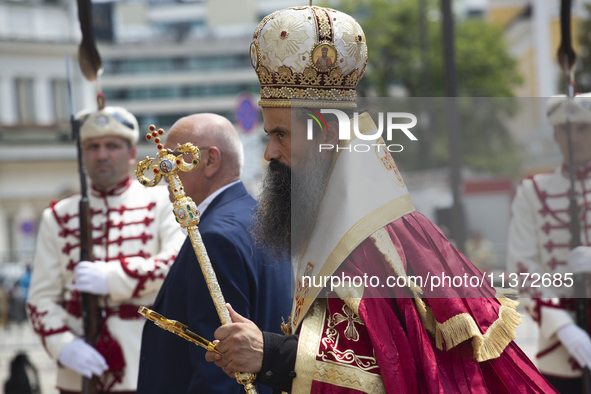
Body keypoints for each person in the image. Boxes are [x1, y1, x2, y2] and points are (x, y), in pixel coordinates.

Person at [205, 6, 558, 393]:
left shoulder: (372, 239)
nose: (270, 152)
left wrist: (270, 353)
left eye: (281, 135)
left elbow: (396, 367)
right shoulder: (335, 216)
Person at [27, 105, 186, 393]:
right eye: (93, 146)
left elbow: (176, 268)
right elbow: (40, 299)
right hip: (79, 373)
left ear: (132, 153)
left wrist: (114, 278)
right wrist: (64, 346)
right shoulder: (58, 215)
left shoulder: (164, 202)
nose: (102, 155)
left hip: (148, 363)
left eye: (112, 145)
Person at [136, 114, 291, 394]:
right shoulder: (257, 216)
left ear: (209, 160)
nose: (162, 177)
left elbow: (218, 367)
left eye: (170, 162)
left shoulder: (214, 237)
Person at [507, 94, 591, 393]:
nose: (575, 137)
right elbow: (522, 267)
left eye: (583, 128)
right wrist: (563, 328)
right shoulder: (533, 191)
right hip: (559, 348)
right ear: (555, 134)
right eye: (567, 129)